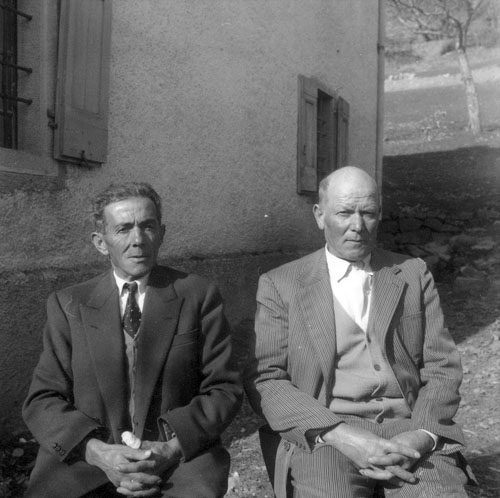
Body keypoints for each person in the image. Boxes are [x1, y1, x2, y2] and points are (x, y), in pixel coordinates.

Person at [245, 166, 473, 498]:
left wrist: (422, 436)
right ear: (319, 216)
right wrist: (341, 435)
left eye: (367, 213)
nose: (357, 225)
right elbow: (267, 379)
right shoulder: (281, 284)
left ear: (379, 215)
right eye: (344, 213)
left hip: (409, 429)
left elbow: (442, 366)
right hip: (328, 436)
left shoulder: (412, 273)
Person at [23, 182, 243, 498]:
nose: (138, 240)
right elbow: (42, 399)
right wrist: (99, 453)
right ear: (101, 243)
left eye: (148, 227)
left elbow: (223, 389)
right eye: (123, 229)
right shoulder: (69, 304)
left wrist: (170, 448)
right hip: (88, 460)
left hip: (176, 459)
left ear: (162, 234)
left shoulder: (197, 296)